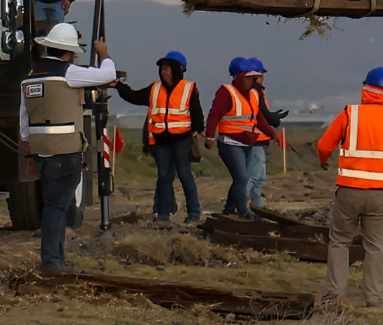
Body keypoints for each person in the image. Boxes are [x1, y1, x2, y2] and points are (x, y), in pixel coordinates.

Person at [16, 21, 118, 271]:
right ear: (68, 52)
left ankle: (57, 258)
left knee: (55, 203)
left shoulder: (29, 80)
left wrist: (32, 153)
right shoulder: (68, 73)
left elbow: (23, 123)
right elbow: (108, 75)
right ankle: (52, 262)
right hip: (66, 151)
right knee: (56, 207)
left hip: (41, 152)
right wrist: (104, 53)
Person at [314, 67, 383, 308]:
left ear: (365, 88)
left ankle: (335, 295)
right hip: (379, 194)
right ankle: (374, 298)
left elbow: (323, 145)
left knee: (340, 241)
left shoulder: (350, 114)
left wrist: (323, 159)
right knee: (376, 246)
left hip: (349, 191)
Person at [114, 50, 203, 223]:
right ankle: (163, 213)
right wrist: (118, 85)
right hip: (161, 142)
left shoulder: (189, 88)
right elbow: (133, 96)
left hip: (182, 140)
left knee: (185, 175)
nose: (163, 72)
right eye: (162, 68)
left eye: (167, 68)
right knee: (164, 176)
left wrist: (198, 130)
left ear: (177, 70)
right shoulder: (154, 89)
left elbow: (197, 113)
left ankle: (193, 213)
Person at [208, 57, 279, 217]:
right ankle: (242, 212)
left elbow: (258, 118)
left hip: (246, 142)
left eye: (253, 77)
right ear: (238, 77)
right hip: (229, 142)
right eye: (249, 77)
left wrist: (273, 134)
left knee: (240, 179)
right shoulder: (226, 92)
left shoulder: (254, 94)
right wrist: (210, 137)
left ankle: (229, 210)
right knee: (242, 177)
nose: (252, 80)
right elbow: (214, 115)